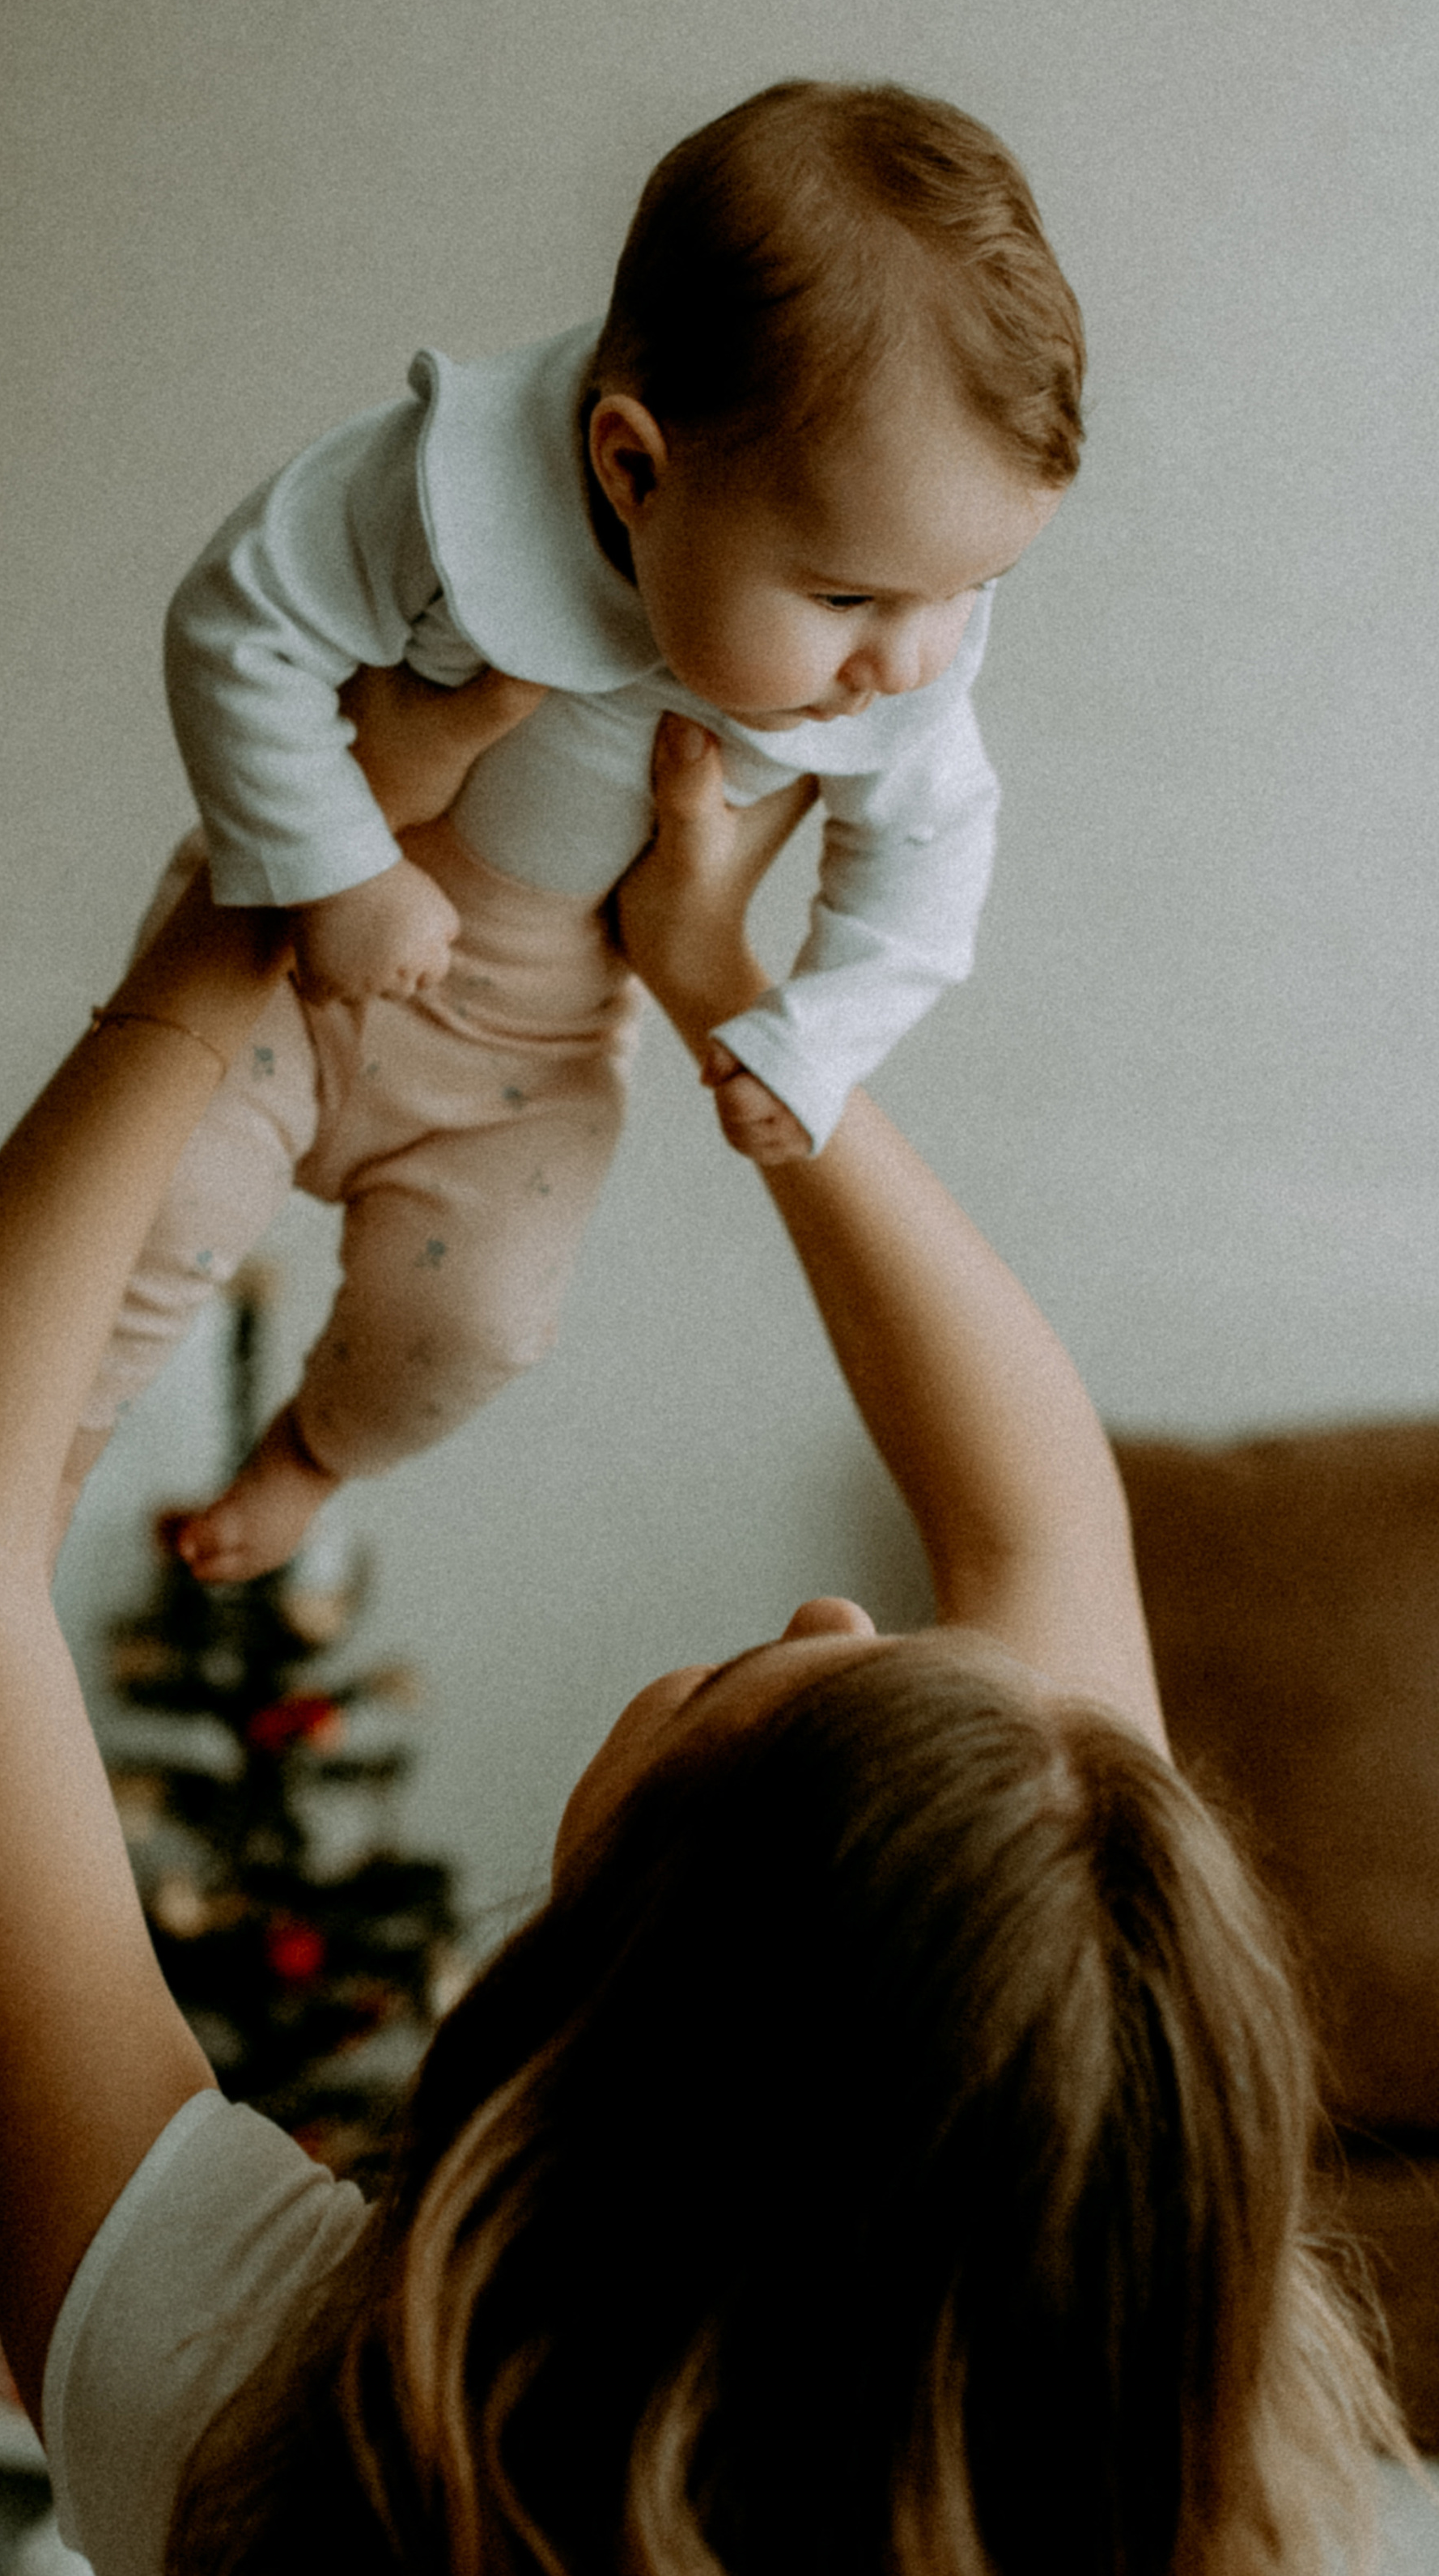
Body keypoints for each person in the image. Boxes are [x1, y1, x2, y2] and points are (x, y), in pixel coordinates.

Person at [0, 678, 1408, 2576]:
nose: (843, 1614)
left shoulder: (269, 2415)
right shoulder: (1156, 2559)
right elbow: (1040, 1516)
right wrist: (730, 989)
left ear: (652, 2011)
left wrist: (235, 937)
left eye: (816, 1684)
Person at [66, 79, 1080, 1584]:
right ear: (630, 467)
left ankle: (309, 1458)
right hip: (291, 965)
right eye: (853, 598)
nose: (914, 660)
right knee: (148, 1227)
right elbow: (239, 624)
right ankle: (28, 1485)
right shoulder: (450, 502)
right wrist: (339, 864)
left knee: (480, 1325)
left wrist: (809, 1035)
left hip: (522, 1062)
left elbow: (930, 869)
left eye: (971, 592)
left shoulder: (898, 662)